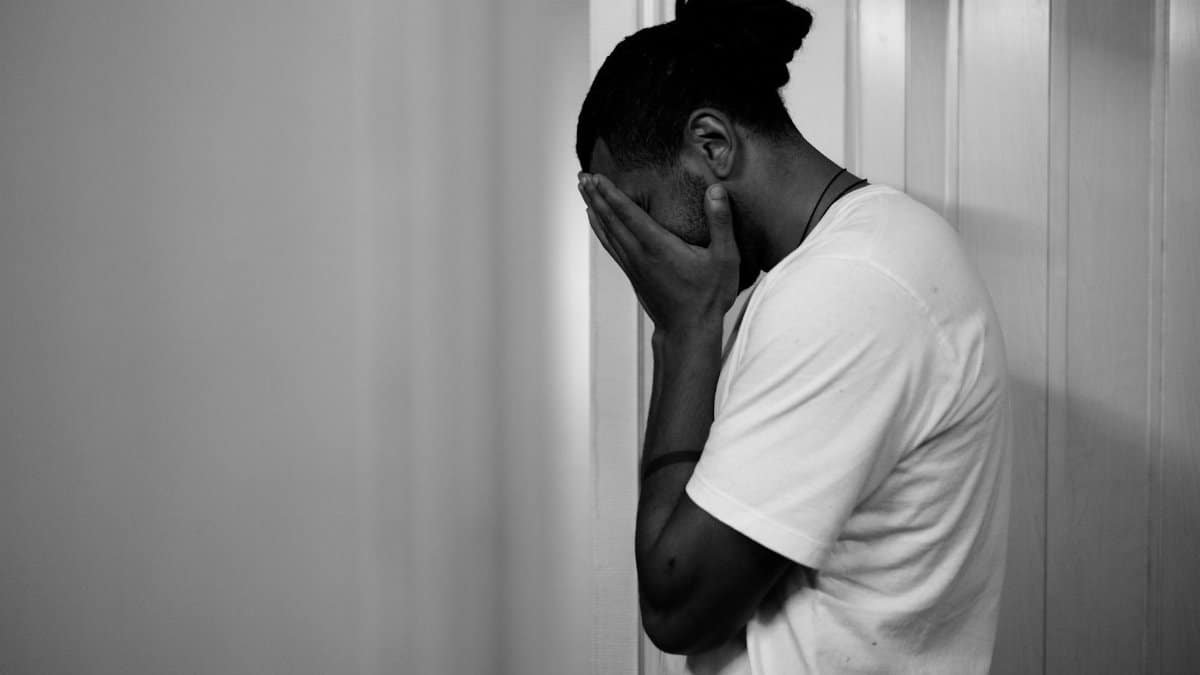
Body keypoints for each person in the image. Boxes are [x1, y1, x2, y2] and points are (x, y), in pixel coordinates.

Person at [574, 0, 1014, 673]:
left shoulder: (848, 287)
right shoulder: (840, 267)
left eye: (641, 209)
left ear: (712, 144)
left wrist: (684, 333)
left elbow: (676, 603)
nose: (641, 249)